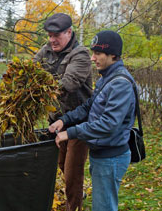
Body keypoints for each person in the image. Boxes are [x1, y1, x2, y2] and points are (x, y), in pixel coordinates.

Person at [49, 30, 135, 211]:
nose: (92, 58)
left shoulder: (120, 83)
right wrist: (64, 120)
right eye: (92, 52)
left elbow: (108, 124)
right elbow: (89, 106)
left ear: (113, 55)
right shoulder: (107, 78)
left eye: (97, 53)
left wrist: (70, 133)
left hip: (111, 157)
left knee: (103, 207)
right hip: (101, 154)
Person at [33, 13, 92, 211]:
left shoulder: (81, 55)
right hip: (57, 121)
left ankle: (73, 205)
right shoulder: (47, 51)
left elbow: (68, 84)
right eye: (49, 36)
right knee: (61, 163)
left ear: (69, 32)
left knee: (72, 171)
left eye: (55, 35)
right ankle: (76, 191)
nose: (51, 40)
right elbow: (32, 69)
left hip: (79, 122)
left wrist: (39, 90)